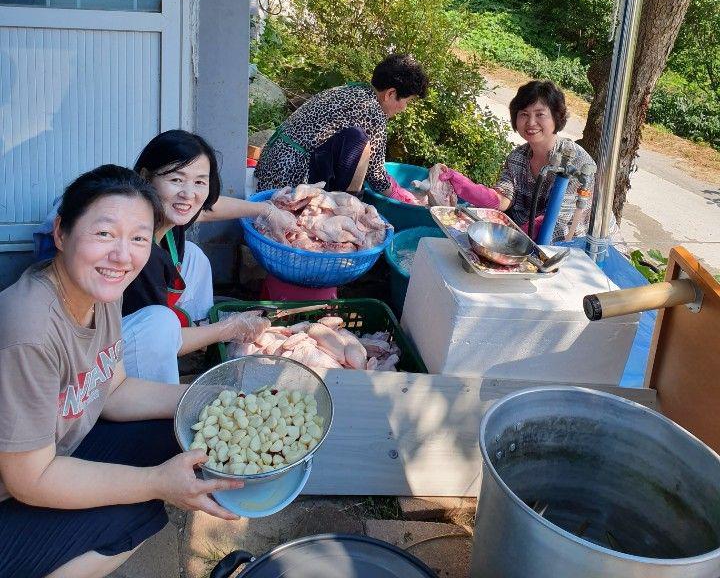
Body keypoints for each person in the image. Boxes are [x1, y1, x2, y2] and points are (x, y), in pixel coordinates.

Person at [0, 166, 244, 578]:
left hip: (51, 454)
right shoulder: (29, 331)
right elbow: (30, 479)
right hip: (17, 486)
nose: (122, 255)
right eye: (104, 234)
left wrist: (209, 397)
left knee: (181, 433)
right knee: (138, 512)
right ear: (61, 233)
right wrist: (155, 482)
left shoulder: (102, 293)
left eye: (137, 238)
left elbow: (112, 390)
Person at [121, 129, 280, 383]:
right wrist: (229, 329)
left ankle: (197, 336)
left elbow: (206, 208)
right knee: (162, 326)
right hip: (113, 354)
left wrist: (266, 210)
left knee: (193, 255)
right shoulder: (138, 251)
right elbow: (157, 337)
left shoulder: (165, 218)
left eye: (199, 181)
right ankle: (160, 384)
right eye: (176, 179)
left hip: (151, 328)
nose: (188, 193)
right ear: (145, 177)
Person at [255, 54, 429, 203]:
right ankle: (346, 208)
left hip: (270, 168)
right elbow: (376, 177)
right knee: (359, 142)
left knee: (355, 141)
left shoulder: (354, 91)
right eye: (407, 101)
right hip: (287, 181)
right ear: (390, 94)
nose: (404, 108)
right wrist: (405, 198)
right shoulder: (372, 110)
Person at [440, 80, 595, 241]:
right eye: (524, 114)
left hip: (573, 247)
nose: (531, 122)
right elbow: (501, 200)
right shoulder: (518, 157)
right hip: (524, 239)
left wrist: (508, 239)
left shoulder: (576, 163)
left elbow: (556, 222)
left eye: (540, 114)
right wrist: (463, 185)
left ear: (557, 117)